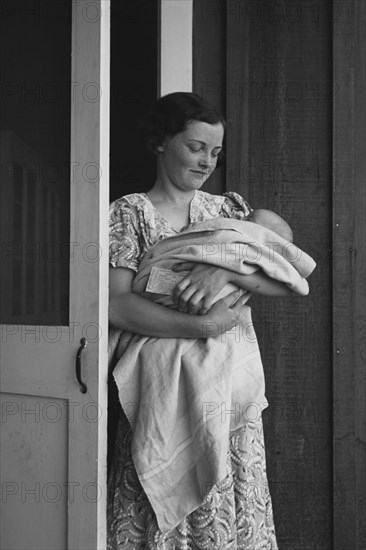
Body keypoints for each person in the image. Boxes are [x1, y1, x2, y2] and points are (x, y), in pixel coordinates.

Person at [107, 92, 294, 549]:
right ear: (160, 143)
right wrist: (202, 326)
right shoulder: (128, 213)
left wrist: (225, 269)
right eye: (195, 147)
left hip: (224, 389)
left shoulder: (229, 214)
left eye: (215, 151)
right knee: (160, 503)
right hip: (160, 387)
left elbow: (283, 276)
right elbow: (117, 306)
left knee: (224, 507)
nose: (208, 161)